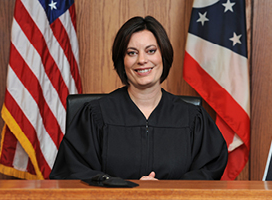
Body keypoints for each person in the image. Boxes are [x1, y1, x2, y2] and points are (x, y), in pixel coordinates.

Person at [50, 16, 228, 180]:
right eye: (132, 53)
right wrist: (127, 188)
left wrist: (168, 191)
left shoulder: (192, 118)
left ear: (163, 56)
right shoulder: (96, 115)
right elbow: (72, 172)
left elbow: (209, 170)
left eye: (150, 51)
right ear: (122, 61)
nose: (142, 60)